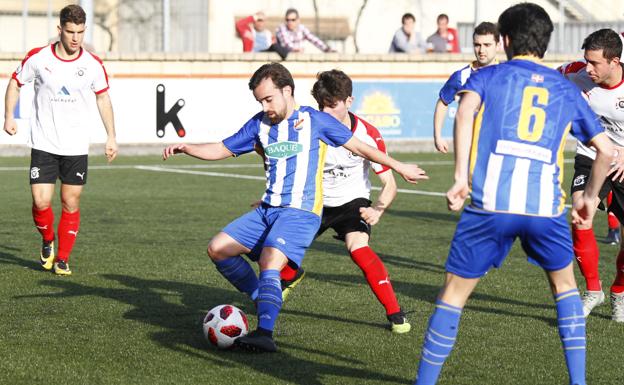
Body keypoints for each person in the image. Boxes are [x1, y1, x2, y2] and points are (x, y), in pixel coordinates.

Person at [162, 62, 428, 353]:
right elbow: (222, 149)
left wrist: (399, 167)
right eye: (260, 101)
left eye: (268, 99)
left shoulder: (315, 120)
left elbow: (360, 147)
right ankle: (261, 297)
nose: (265, 107)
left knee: (270, 260)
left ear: (287, 90)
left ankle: (265, 333)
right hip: (268, 209)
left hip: (301, 212)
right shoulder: (259, 124)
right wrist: (189, 148)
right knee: (218, 248)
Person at [413, 3, 613, 385]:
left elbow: (466, 111)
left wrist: (459, 176)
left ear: (505, 40)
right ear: (546, 40)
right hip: (545, 209)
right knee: (566, 289)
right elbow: (605, 150)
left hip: (491, 205)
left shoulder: (489, 76)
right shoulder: (564, 87)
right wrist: (588, 198)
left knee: (453, 295)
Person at [278, 69, 411, 333]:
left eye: (332, 106)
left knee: (358, 248)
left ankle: (396, 314)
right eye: (321, 106)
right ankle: (290, 276)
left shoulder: (368, 134)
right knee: (278, 252)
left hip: (353, 202)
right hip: (314, 200)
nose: (325, 113)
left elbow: (390, 184)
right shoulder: (307, 126)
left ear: (349, 102)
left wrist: (378, 210)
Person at [2, 4, 118, 276]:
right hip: (43, 142)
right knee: (41, 201)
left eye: (80, 32)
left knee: (71, 201)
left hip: (76, 146)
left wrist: (111, 136)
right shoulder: (39, 58)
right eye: (70, 31)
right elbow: (15, 82)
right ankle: (47, 240)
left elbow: (103, 98)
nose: (75, 38)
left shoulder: (92, 64)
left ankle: (63, 258)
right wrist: (9, 116)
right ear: (60, 30)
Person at [558, 29, 624, 322]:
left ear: (614, 61)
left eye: (595, 63)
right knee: (580, 211)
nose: (588, 68)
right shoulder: (575, 72)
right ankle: (593, 290)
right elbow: (545, 82)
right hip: (591, 152)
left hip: (622, 158)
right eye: (586, 60)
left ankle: (619, 291)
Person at [433, 22, 499, 153]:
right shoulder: (462, 76)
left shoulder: (506, 74)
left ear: (498, 45)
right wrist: (437, 136)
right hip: (469, 147)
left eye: (487, 45)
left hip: (498, 146)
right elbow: (443, 102)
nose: (481, 50)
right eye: (477, 45)